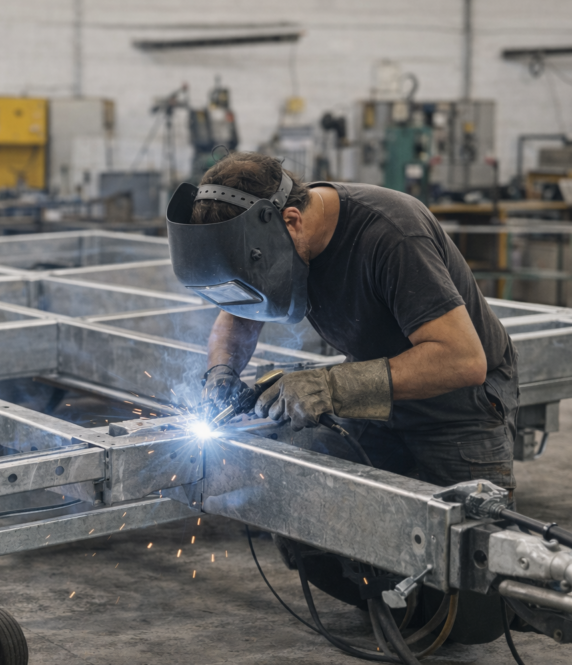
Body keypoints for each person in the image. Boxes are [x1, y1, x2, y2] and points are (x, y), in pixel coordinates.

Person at [168, 151, 517, 497]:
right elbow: (239, 311)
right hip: (371, 404)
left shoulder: (393, 234)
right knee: (312, 512)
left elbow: (462, 360)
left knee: (462, 541)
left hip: (457, 412)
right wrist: (221, 373)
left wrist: (328, 387)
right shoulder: (276, 237)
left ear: (291, 222)